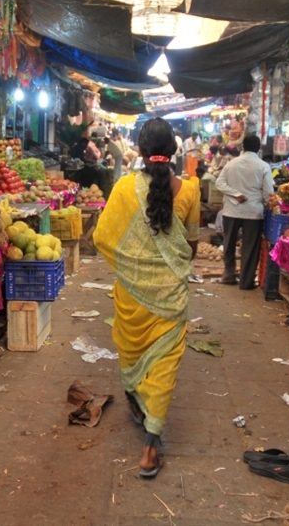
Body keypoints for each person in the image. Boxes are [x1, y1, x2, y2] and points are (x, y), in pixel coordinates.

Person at [93, 118, 200, 480]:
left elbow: (103, 237)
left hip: (132, 297)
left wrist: (133, 264)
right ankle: (151, 447)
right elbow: (194, 245)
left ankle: (135, 400)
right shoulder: (189, 191)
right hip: (170, 298)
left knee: (132, 352)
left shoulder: (124, 188)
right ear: (174, 150)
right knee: (164, 368)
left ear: (137, 150)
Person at [215, 134, 274, 290]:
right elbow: (268, 192)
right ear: (259, 148)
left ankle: (228, 275)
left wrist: (235, 194)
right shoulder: (263, 166)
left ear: (243, 147)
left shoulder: (231, 164)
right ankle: (246, 282)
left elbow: (219, 183)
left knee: (228, 243)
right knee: (250, 246)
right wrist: (268, 205)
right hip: (253, 212)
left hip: (231, 210)